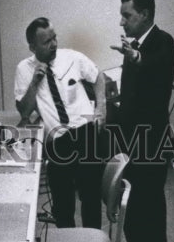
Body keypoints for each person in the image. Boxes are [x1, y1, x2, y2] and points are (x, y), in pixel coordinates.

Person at [110, 0, 174, 242]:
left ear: (145, 14)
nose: (122, 21)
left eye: (127, 15)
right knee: (132, 197)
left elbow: (155, 66)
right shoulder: (132, 45)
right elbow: (131, 93)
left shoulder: (164, 42)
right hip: (129, 138)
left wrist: (136, 58)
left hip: (151, 138)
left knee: (150, 199)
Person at [15, 17, 106, 229]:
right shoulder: (24, 69)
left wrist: (100, 108)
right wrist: (35, 82)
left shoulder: (72, 58)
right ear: (32, 46)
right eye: (47, 42)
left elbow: (98, 76)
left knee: (90, 197)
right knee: (63, 203)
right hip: (58, 140)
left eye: (54, 38)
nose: (54, 44)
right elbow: (24, 112)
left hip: (86, 132)